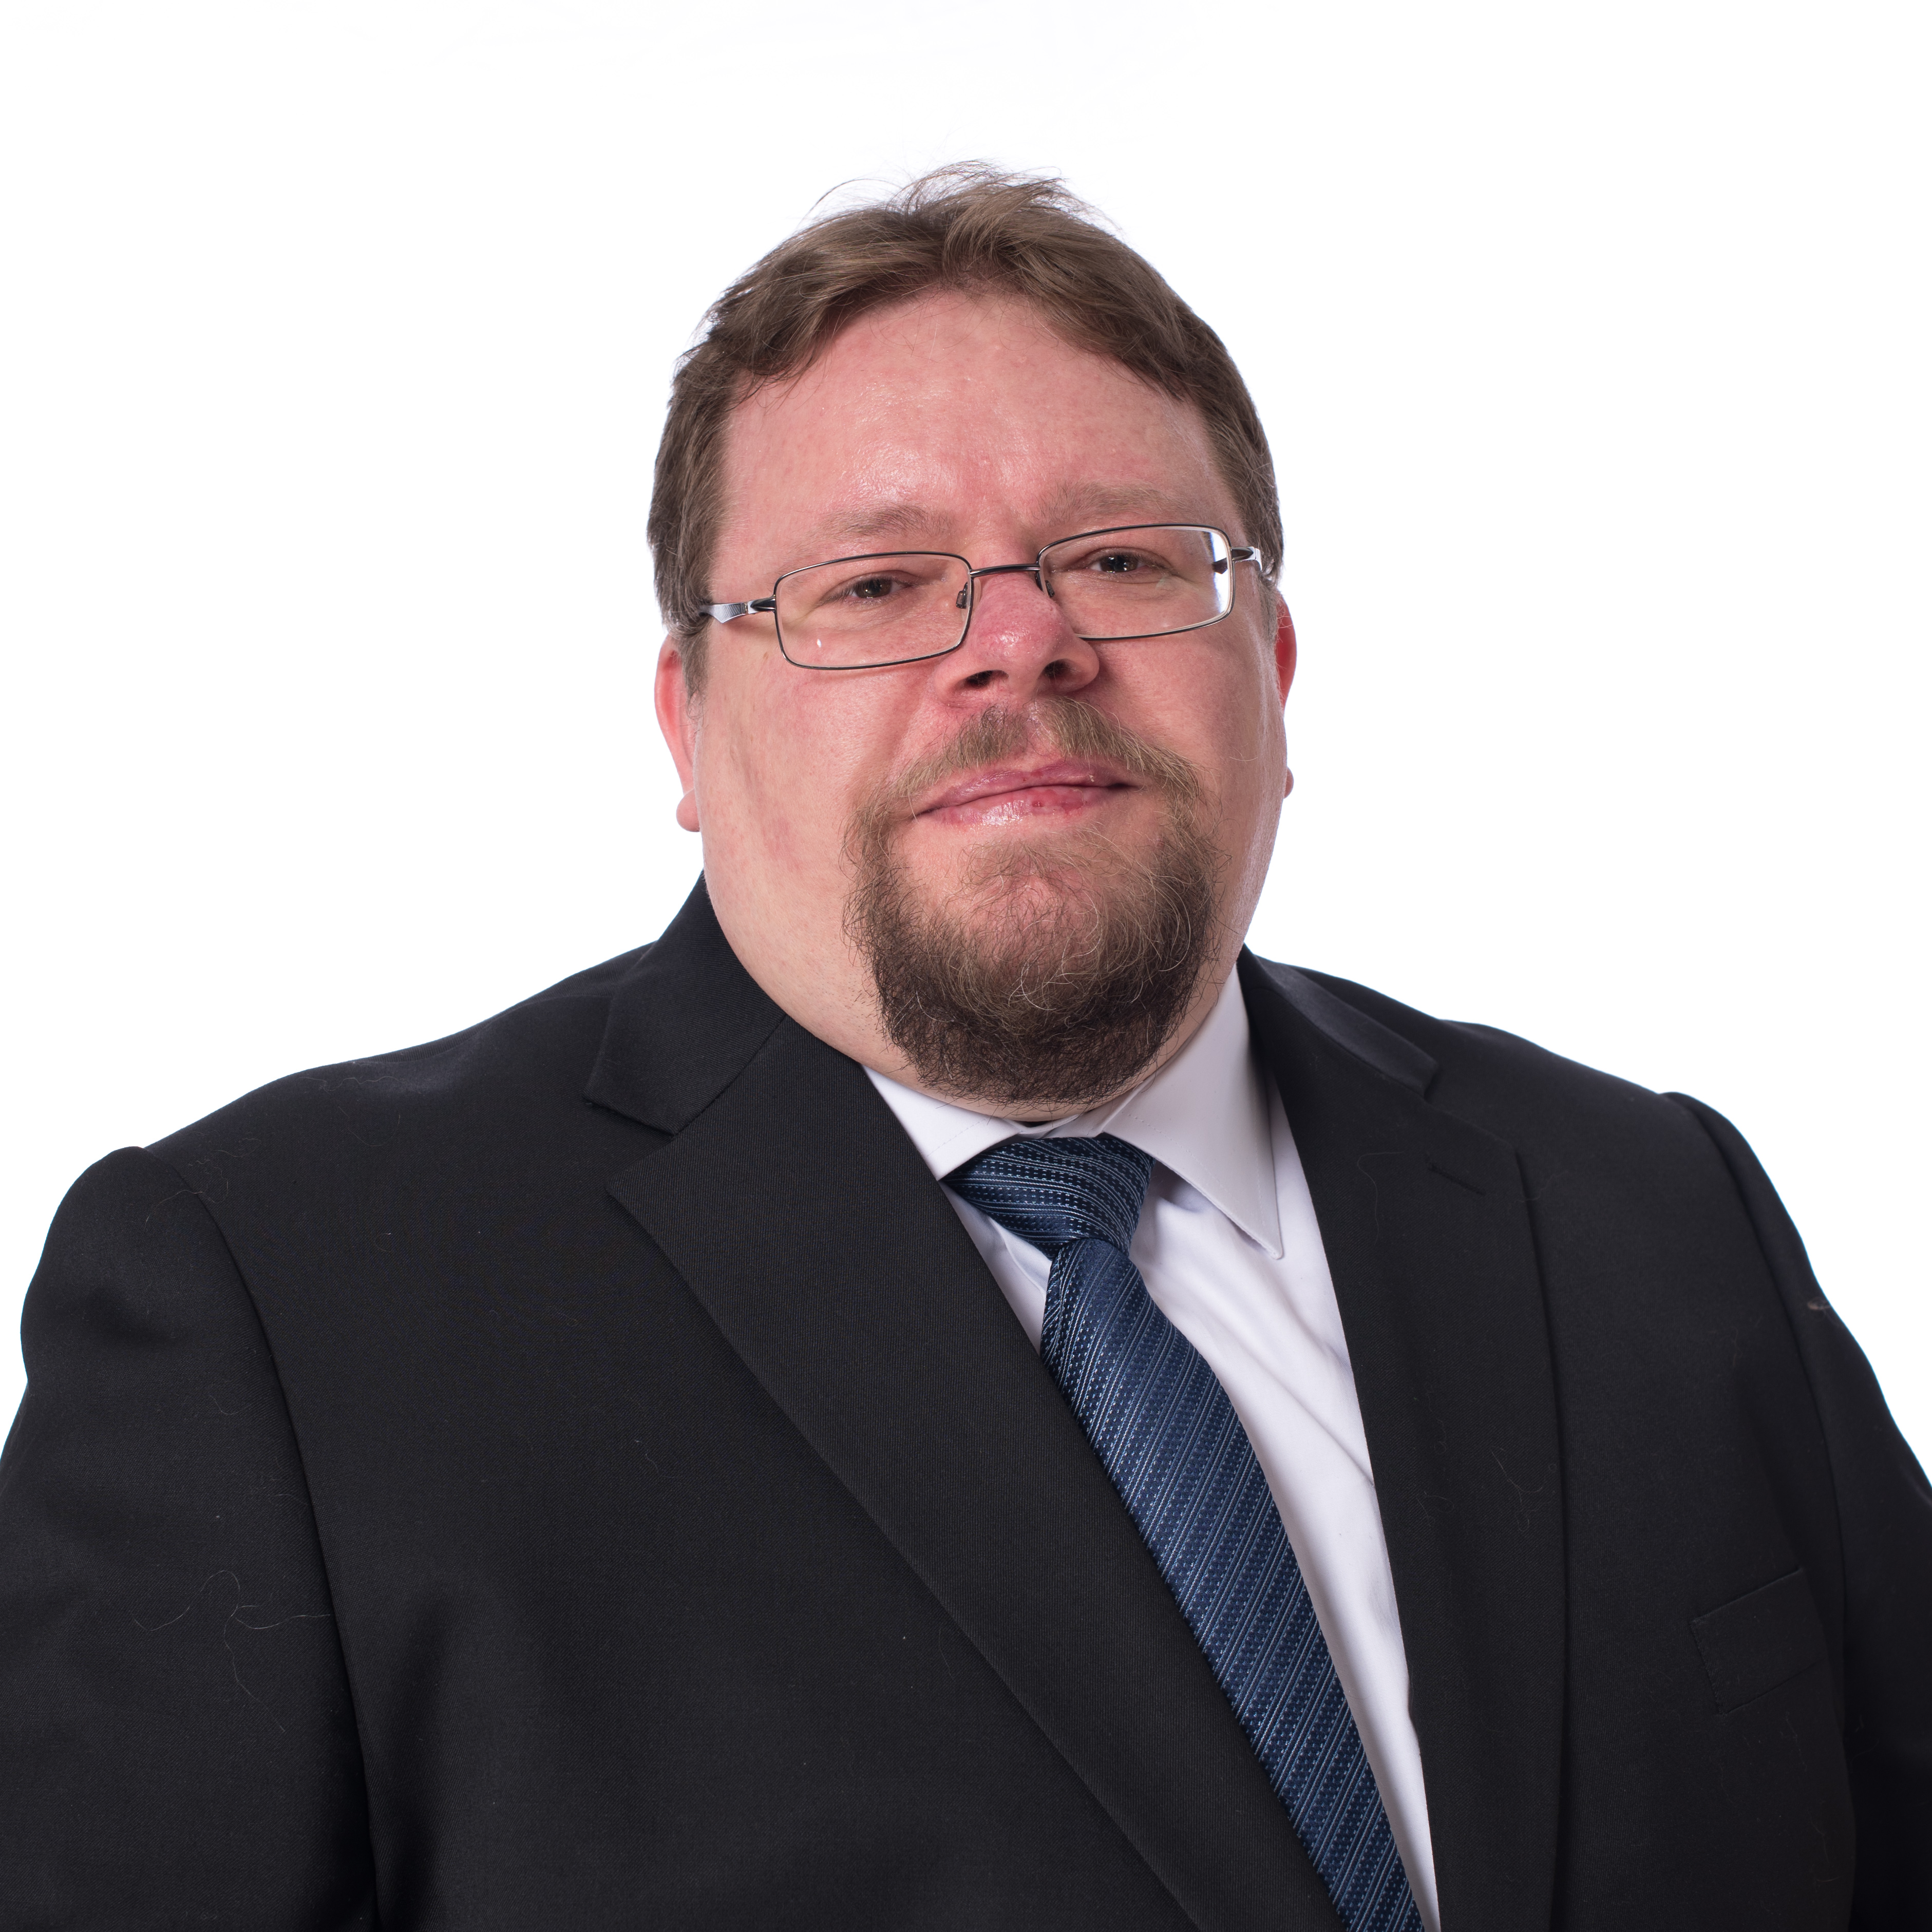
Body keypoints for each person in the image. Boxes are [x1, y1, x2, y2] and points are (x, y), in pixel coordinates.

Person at [1, 166, 1925, 1932]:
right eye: (872, 586)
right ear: (686, 727)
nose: (1019, 645)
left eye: (1123, 560)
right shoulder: (283, 1307)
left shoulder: (1650, 1212)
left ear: (1271, 670)